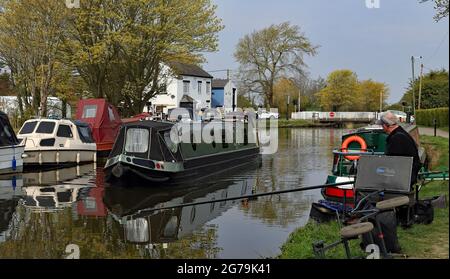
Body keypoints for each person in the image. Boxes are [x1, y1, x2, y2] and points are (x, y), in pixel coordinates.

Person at [376, 111, 421, 186]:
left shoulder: (397, 138)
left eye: (382, 125)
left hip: (404, 179)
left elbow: (393, 162)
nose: (382, 127)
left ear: (386, 125)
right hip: (406, 175)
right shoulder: (401, 133)